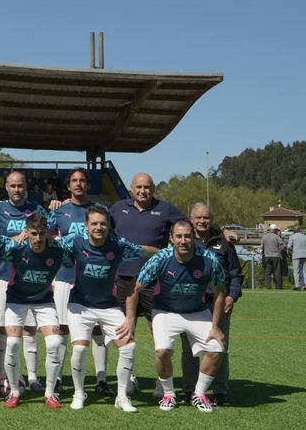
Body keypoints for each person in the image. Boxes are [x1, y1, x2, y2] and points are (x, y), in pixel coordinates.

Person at [122, 220, 227, 413]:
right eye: (178, 236)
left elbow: (220, 292)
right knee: (162, 351)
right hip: (165, 311)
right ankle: (169, 394)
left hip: (197, 311)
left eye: (187, 236)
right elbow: (134, 288)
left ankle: (199, 394)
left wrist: (215, 326)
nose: (183, 240)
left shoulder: (209, 259)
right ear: (171, 238)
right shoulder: (161, 258)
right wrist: (129, 319)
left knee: (216, 349)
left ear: (194, 237)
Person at [60, 206, 154, 413]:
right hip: (79, 305)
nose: (99, 227)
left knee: (128, 347)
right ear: (86, 226)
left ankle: (122, 397)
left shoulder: (118, 245)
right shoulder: (74, 241)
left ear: (109, 225)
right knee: (79, 349)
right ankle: (78, 393)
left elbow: (142, 251)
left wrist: (169, 252)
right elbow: (50, 245)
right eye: (94, 223)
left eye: (103, 223)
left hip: (108, 306)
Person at [109, 172, 186, 395]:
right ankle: (129, 378)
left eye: (147, 187)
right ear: (131, 189)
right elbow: (95, 222)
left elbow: (191, 227)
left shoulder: (166, 209)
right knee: (125, 332)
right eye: (139, 187)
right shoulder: (117, 208)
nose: (143, 191)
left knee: (159, 334)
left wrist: (222, 231)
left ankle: (162, 382)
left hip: (155, 281)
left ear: (153, 189)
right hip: (125, 279)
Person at [48, 168, 113, 398]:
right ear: (68, 186)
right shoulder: (58, 211)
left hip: (94, 279)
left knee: (97, 330)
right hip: (65, 278)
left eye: (82, 180)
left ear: (88, 184)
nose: (78, 184)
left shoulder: (100, 211)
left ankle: (101, 380)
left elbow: (111, 241)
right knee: (62, 330)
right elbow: (47, 240)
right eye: (74, 181)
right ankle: (58, 379)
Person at [0, 170, 49, 395]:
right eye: (12, 186)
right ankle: (2, 375)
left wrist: (61, 203)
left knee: (30, 329)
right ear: (6, 188)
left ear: (26, 187)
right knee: (2, 329)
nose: (16, 189)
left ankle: (33, 377)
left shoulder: (39, 210)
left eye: (20, 185)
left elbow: (52, 232)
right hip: (3, 276)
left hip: (30, 277)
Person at [0, 215, 68, 409]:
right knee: (12, 344)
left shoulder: (58, 250)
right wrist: (15, 238)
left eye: (42, 234)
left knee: (54, 342)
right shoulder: (16, 249)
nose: (38, 238)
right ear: (27, 232)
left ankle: (50, 393)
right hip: (16, 299)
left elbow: (75, 254)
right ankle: (14, 391)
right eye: (34, 233)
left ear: (48, 234)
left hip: (44, 300)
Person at [181, 202, 242, 406]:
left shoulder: (223, 242)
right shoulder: (184, 238)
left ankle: (220, 392)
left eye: (206, 217)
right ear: (191, 219)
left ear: (212, 219)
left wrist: (232, 296)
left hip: (218, 303)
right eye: (198, 217)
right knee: (189, 350)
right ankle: (190, 390)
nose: (202, 221)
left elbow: (235, 272)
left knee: (219, 347)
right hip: (190, 304)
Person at [262, 224, 286, 290]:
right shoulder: (277, 237)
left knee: (268, 272)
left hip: (267, 256)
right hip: (276, 256)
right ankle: (278, 287)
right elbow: (282, 247)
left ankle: (267, 286)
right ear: (275, 230)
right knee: (277, 272)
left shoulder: (264, 237)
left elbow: (262, 246)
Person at [288, 227, 306, 291]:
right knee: (305, 271)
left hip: (296, 255)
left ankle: (297, 285)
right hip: (305, 255)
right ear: (300, 230)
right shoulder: (304, 236)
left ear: (294, 231)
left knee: (296, 271)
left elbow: (289, 247)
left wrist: (290, 252)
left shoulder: (292, 237)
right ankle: (305, 285)